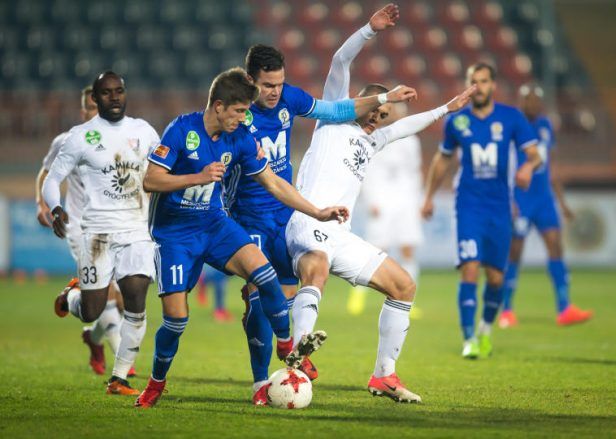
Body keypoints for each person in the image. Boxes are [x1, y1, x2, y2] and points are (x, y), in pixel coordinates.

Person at [229, 5, 419, 404]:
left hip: (286, 210)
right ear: (250, 82)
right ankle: (261, 381)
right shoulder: (235, 116)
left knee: (280, 301)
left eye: (279, 84)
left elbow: (335, 108)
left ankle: (289, 367)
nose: (274, 91)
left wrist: (371, 42)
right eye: (267, 85)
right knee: (260, 301)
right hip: (248, 216)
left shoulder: (291, 101)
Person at [284, 11, 475, 403]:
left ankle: (383, 376)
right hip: (308, 221)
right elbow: (340, 60)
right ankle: (299, 349)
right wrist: (369, 29)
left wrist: (446, 109)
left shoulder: (372, 140)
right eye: (375, 110)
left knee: (403, 285)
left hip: (340, 234)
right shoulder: (332, 120)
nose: (378, 118)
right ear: (360, 102)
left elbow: (407, 127)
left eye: (382, 115)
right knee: (316, 266)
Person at [135, 67, 349, 408]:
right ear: (218, 106)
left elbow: (274, 183)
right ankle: (155, 384)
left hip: (215, 225)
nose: (243, 117)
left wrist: (317, 212)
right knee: (176, 321)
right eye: (238, 111)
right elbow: (150, 180)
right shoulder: (181, 130)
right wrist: (197, 177)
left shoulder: (241, 137)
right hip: (175, 235)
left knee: (265, 275)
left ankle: (286, 345)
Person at [42, 71, 159, 394]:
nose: (115, 97)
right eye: (106, 93)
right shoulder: (80, 137)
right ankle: (71, 296)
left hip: (136, 230)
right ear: (95, 97)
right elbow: (53, 179)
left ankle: (119, 378)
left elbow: (164, 170)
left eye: (119, 91)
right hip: (95, 235)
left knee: (135, 301)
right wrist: (54, 207)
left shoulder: (144, 131)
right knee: (93, 310)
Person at [422, 63, 542, 360]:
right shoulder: (457, 122)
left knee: (496, 278)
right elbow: (443, 159)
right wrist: (428, 197)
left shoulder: (511, 118)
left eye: (484, 81)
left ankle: (485, 330)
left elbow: (535, 155)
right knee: (470, 267)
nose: (479, 87)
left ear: (493, 85)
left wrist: (527, 167)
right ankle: (469, 338)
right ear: (467, 85)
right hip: (469, 206)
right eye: (473, 82)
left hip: (500, 208)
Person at [36, 86, 135, 378]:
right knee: (108, 296)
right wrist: (42, 204)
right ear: (84, 112)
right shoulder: (68, 141)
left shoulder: (122, 139)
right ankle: (123, 368)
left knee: (125, 299)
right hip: (80, 228)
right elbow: (45, 174)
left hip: (116, 226)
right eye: (91, 109)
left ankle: (92, 337)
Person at [499, 84, 592, 328]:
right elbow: (503, 165)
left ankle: (565, 308)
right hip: (520, 198)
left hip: (543, 199)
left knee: (555, 246)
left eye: (537, 100)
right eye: (529, 99)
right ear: (521, 100)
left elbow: (550, 166)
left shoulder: (545, 125)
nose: (535, 104)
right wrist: (507, 198)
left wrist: (561, 202)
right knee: (515, 252)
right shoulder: (512, 125)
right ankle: (506, 309)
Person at [347, 102, 424, 318]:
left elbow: (415, 172)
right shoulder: (376, 137)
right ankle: (358, 295)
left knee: (408, 248)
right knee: (376, 249)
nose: (397, 113)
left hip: (406, 201)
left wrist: (418, 201)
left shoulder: (411, 141)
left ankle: (409, 300)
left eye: (401, 110)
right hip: (382, 201)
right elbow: (366, 169)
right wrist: (370, 198)